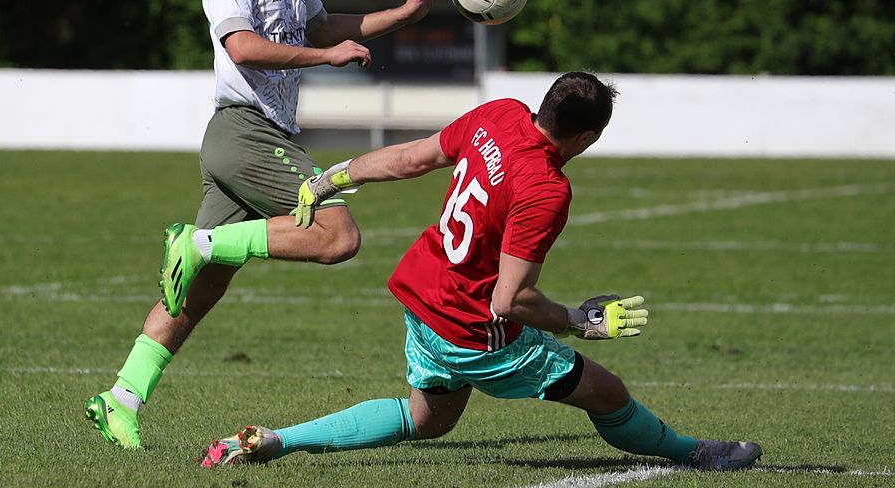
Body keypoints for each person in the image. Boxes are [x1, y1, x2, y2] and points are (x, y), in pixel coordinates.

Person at [199, 72, 763, 471]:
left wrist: (336, 177)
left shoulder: (499, 115)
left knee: (428, 420)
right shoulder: (546, 187)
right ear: (587, 137)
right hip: (473, 329)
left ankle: (277, 441)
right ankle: (697, 452)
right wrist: (577, 320)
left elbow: (413, 157)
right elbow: (509, 301)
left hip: (422, 294)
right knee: (609, 393)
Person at [84, 0, 448, 450]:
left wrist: (404, 13)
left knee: (196, 292)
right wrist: (323, 59)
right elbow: (244, 48)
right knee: (338, 237)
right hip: (247, 133)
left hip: (255, 136)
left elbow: (325, 26)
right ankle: (195, 241)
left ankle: (119, 397)